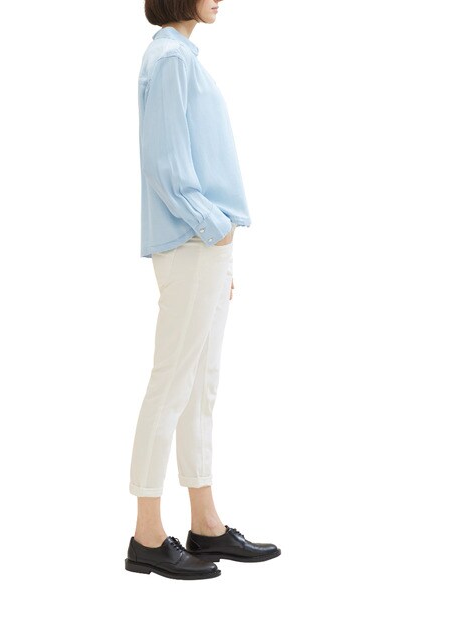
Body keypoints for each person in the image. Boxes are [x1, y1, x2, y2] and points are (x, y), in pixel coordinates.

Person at [125, 0, 281, 580]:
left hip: (205, 247)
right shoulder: (170, 59)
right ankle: (146, 534)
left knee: (200, 387)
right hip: (193, 239)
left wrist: (220, 247)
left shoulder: (183, 57)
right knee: (171, 384)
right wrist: (212, 227)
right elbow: (165, 161)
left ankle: (205, 524)